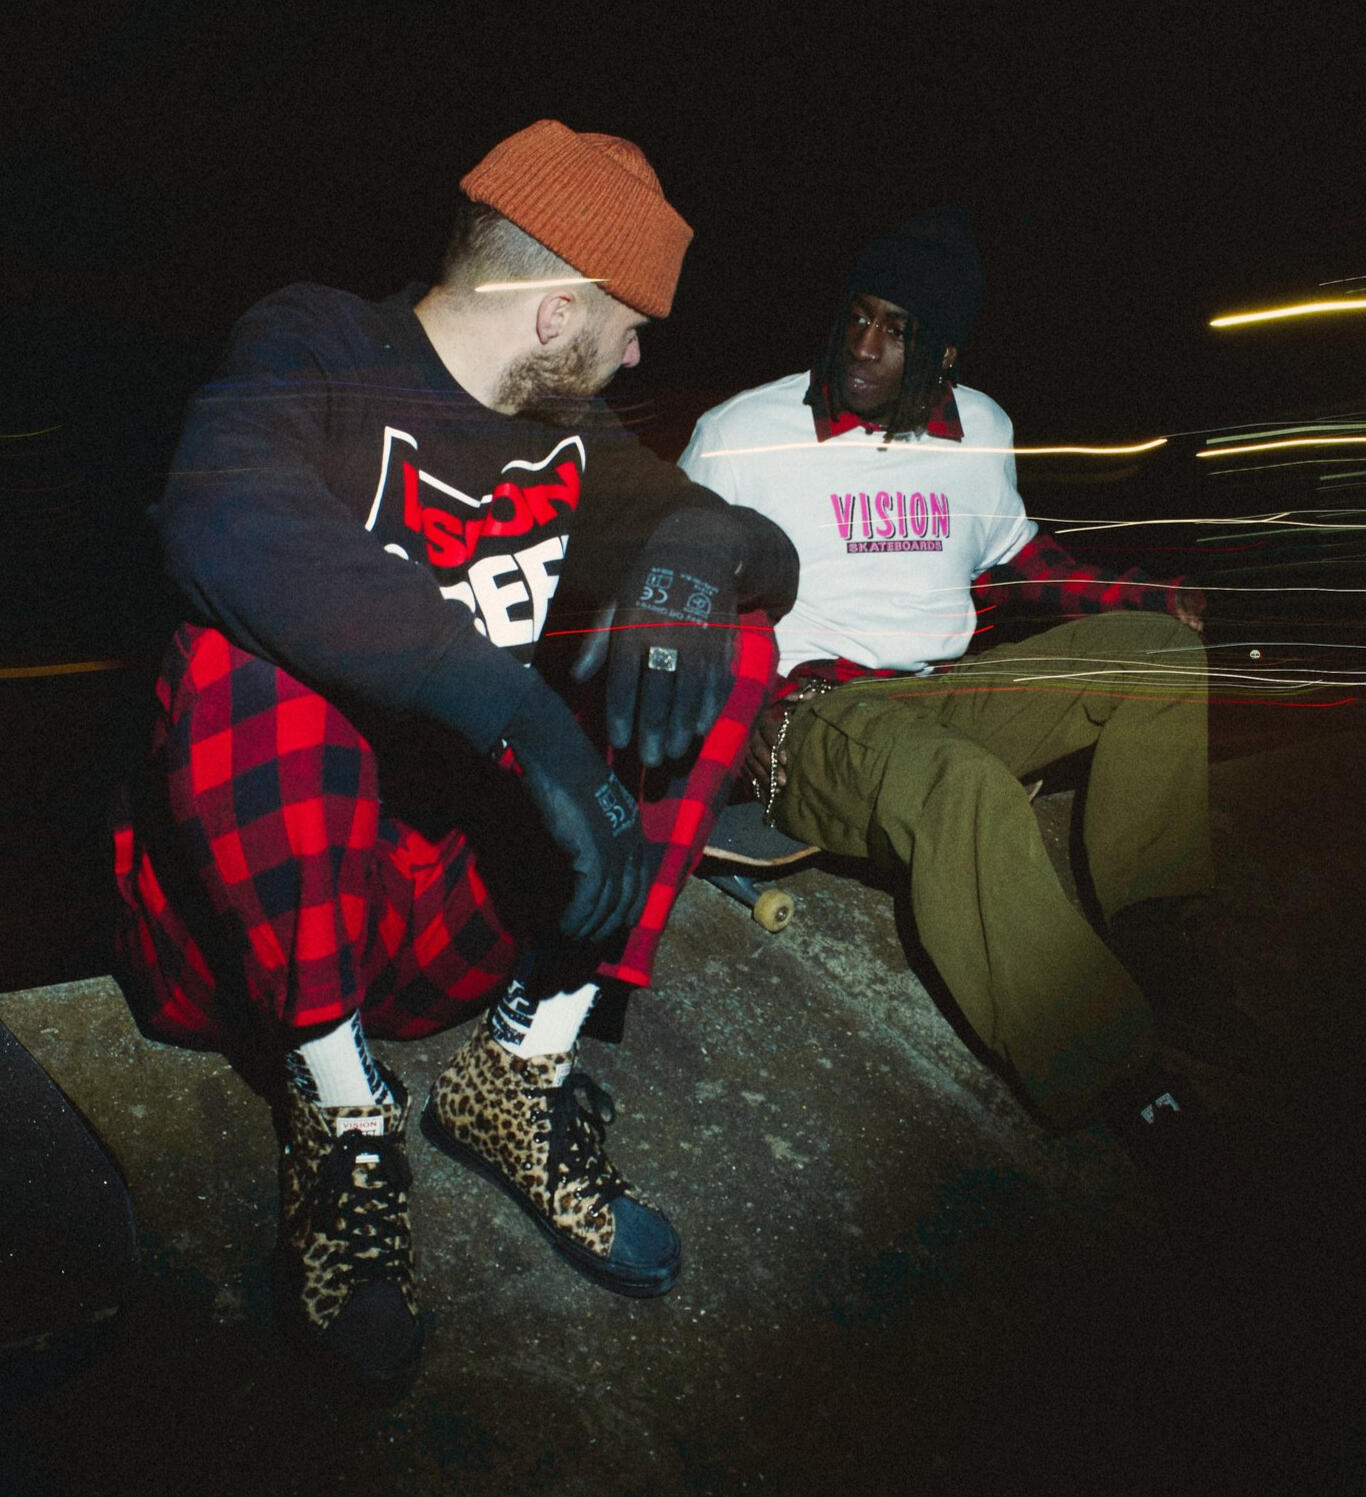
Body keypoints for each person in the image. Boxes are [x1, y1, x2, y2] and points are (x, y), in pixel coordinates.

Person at [111, 120, 797, 1383]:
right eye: (629, 324)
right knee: (237, 651)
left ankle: (518, 1076)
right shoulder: (317, 344)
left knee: (716, 638)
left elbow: (766, 558)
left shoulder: (573, 435)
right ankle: (339, 1115)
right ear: (554, 313)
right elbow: (219, 512)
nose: (637, 354)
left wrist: (704, 548)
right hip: (264, 933)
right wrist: (518, 714)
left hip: (436, 927)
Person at [679, 205, 1217, 1149]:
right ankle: (1117, 1077)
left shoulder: (982, 430)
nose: (863, 346)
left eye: (897, 331)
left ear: (945, 355)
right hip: (817, 714)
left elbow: (1021, 561)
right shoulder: (740, 432)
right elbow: (671, 599)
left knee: (1153, 655)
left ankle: (1155, 929)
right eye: (858, 315)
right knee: (961, 785)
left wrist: (1144, 595)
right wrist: (737, 705)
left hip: (938, 694)